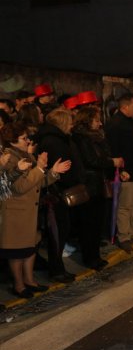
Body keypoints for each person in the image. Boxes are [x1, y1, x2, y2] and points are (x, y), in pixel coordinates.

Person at [0, 122, 71, 297]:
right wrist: (39, 167)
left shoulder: (24, 154)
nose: (28, 141)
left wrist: (53, 172)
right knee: (17, 252)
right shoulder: (9, 157)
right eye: (23, 138)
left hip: (29, 210)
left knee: (30, 247)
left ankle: (30, 280)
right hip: (16, 212)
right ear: (13, 140)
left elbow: (38, 182)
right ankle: (19, 285)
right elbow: (19, 187)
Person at [37, 108, 86, 283]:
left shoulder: (56, 139)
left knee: (60, 232)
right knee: (58, 233)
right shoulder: (55, 142)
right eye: (70, 121)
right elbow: (62, 170)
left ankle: (58, 268)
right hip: (56, 195)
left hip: (56, 193)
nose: (72, 125)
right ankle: (56, 270)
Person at [72, 106, 123, 270]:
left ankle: (95, 255)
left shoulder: (96, 137)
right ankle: (90, 258)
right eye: (96, 120)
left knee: (97, 223)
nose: (100, 123)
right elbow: (91, 160)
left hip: (98, 183)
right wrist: (111, 162)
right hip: (89, 185)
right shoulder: (81, 138)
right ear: (87, 121)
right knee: (89, 224)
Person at [104, 93, 133, 253]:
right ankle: (124, 237)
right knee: (125, 206)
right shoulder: (114, 124)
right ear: (124, 107)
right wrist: (121, 170)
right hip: (126, 172)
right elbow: (112, 150)